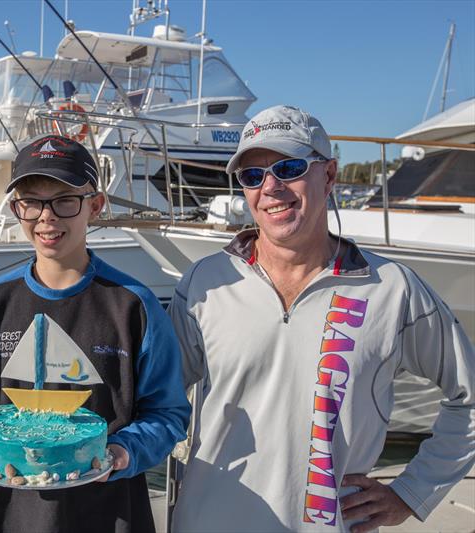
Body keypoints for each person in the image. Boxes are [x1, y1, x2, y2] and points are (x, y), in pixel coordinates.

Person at [167, 104, 475, 532]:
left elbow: (469, 395)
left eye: (288, 168)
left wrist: (413, 491)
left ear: (328, 175)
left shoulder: (392, 288)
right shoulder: (204, 281)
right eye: (252, 176)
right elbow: (158, 403)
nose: (270, 188)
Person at [0, 134, 191, 533]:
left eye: (65, 200)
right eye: (32, 202)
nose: (47, 216)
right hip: (5, 514)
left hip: (109, 512)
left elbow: (168, 413)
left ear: (95, 205)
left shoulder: (134, 305)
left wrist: (123, 450)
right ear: (15, 209)